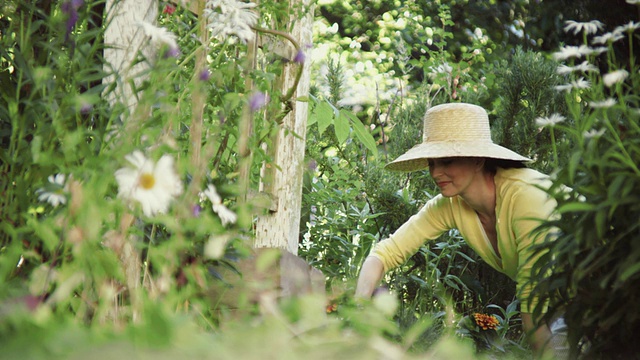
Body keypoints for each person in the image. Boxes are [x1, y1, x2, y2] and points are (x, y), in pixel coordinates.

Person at [355, 102, 563, 358]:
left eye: (447, 160)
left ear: (477, 159)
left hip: (607, 284)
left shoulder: (525, 197)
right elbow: (385, 253)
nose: (435, 172)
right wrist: (358, 307)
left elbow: (534, 298)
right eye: (432, 162)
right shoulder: (451, 205)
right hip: (561, 303)